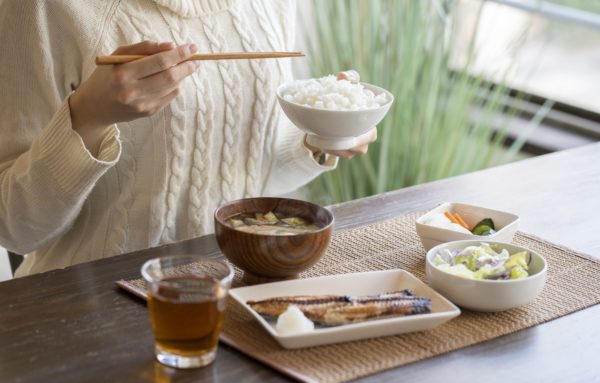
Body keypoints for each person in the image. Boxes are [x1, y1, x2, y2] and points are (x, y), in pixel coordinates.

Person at [0, 0, 377, 277]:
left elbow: (231, 173)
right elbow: (14, 228)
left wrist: (313, 143)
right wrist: (88, 118)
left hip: (230, 297)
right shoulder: (41, 8)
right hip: (80, 312)